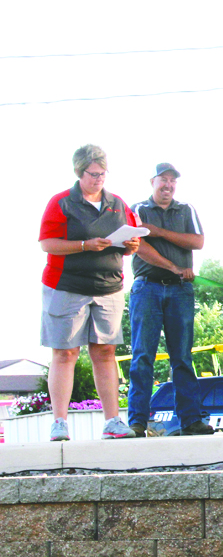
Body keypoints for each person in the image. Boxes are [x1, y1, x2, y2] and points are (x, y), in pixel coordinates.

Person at [38, 145, 141, 441]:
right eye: (93, 174)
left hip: (108, 287)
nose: (98, 179)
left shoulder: (118, 203)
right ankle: (59, 422)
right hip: (66, 286)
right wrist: (84, 245)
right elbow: (48, 243)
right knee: (66, 353)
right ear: (79, 172)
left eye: (102, 174)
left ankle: (112, 421)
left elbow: (132, 236)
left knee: (105, 351)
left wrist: (131, 245)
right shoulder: (60, 203)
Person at [127, 162, 212, 437]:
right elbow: (139, 246)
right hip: (147, 289)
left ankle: (190, 421)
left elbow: (198, 242)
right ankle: (137, 422)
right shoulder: (137, 209)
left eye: (172, 181)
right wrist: (174, 266)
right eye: (163, 180)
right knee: (142, 357)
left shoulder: (186, 209)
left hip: (180, 291)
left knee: (183, 357)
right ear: (152, 182)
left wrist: (160, 232)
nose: (168, 185)